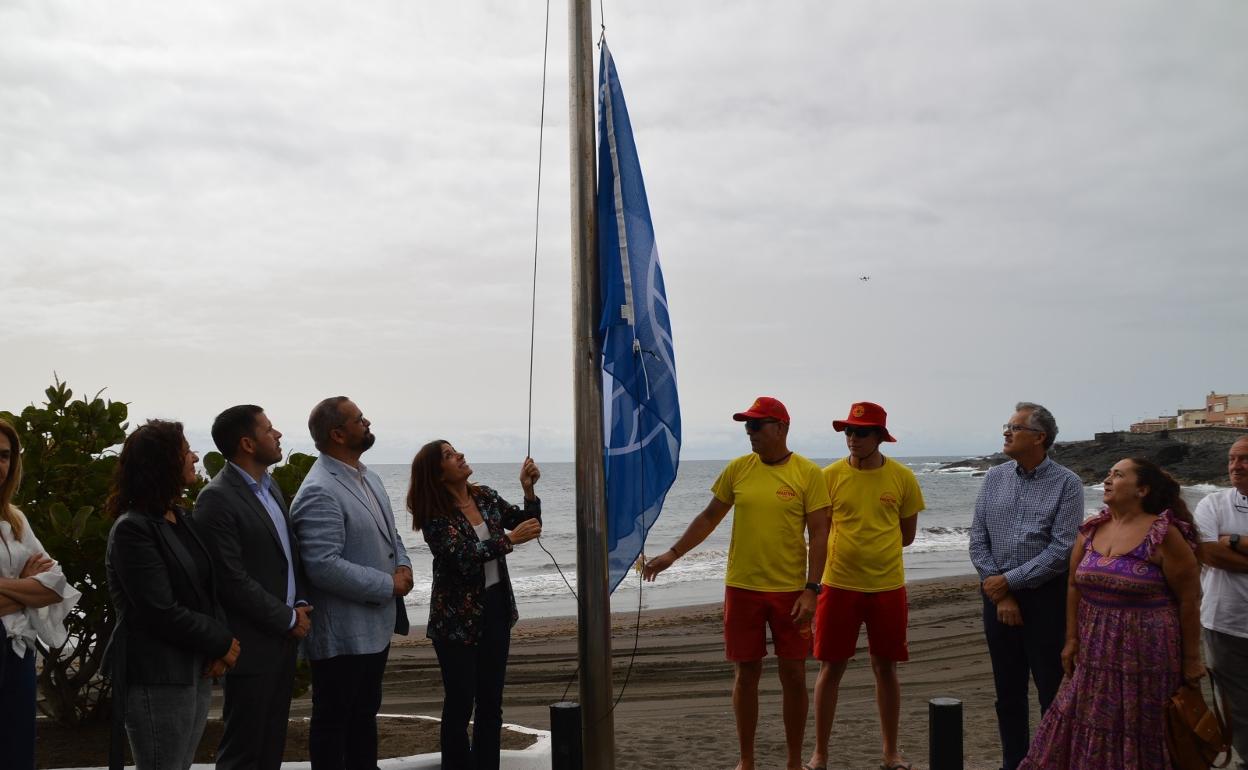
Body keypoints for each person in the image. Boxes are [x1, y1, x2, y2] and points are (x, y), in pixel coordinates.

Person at [644, 396, 831, 770]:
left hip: (791, 592)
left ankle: (794, 761)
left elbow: (820, 536)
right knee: (746, 674)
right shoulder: (738, 469)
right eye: (747, 426)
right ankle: (746, 761)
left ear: (781, 428)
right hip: (742, 588)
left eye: (756, 426)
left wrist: (812, 590)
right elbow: (709, 517)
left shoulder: (809, 474)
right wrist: (672, 554)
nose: (749, 433)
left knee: (793, 675)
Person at [1018, 458, 1205, 768]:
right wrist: (1072, 639)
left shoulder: (1163, 534)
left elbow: (1189, 599)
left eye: (1118, 475)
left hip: (1148, 653)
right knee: (1081, 716)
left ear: (1141, 490)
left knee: (1141, 725)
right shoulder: (1091, 529)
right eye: (1108, 473)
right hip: (1095, 649)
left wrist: (1191, 660)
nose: (1107, 479)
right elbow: (1074, 585)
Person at [105, 420, 241, 770]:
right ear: (164, 463)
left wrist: (218, 648)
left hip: (191, 668)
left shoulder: (179, 519)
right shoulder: (132, 529)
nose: (195, 457)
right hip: (157, 673)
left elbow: (208, 590)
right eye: (185, 452)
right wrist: (221, 640)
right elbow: (159, 609)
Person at [291, 397, 412, 770]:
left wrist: (405, 566)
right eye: (360, 419)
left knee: (364, 717)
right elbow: (322, 565)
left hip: (374, 627)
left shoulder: (368, 476)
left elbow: (390, 534)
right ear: (338, 433)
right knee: (334, 724)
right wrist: (387, 585)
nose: (367, 422)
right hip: (342, 633)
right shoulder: (319, 489)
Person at [407, 441, 542, 770]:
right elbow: (462, 557)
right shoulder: (434, 515)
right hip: (456, 619)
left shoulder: (486, 496)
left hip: (496, 607)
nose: (460, 456)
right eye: (449, 456)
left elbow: (530, 525)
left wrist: (528, 492)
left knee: (491, 703)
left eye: (456, 451)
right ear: (437, 474)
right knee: (459, 704)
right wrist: (509, 540)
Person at [805, 402, 924, 770]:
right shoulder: (829, 476)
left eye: (861, 432)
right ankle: (820, 753)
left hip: (887, 586)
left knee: (885, 667)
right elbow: (818, 532)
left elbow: (906, 536)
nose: (853, 439)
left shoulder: (902, 478)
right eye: (848, 432)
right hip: (838, 585)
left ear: (880, 438)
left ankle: (891, 751)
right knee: (830, 667)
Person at [194, 405, 311, 770]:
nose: (277, 435)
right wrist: (287, 618)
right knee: (243, 751)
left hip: (283, 640)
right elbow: (231, 580)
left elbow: (287, 555)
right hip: (251, 644)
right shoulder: (216, 498)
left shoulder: (270, 486)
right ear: (247, 443)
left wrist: (301, 604)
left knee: (271, 746)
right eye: (269, 429)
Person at [968, 402, 1083, 770]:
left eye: (1014, 427)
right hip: (995, 596)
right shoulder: (993, 478)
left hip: (1046, 598)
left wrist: (1008, 585)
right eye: (1007, 425)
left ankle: (1050, 761)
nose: (1006, 432)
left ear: (1040, 437)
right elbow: (977, 539)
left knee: (1050, 688)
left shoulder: (1067, 483)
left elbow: (1062, 549)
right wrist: (997, 588)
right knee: (1008, 692)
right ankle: (1012, 762)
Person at [0, 418, 81, 770]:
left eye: (4, 455)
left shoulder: (16, 521)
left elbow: (55, 586)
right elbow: (40, 589)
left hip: (16, 652)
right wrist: (26, 587)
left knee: (16, 755)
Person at [1194, 436, 1248, 769]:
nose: (1235, 466)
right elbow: (1207, 551)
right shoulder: (1213, 503)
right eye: (1231, 459)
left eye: (1244, 459)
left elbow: (1219, 548)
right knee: (1235, 706)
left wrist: (1233, 540)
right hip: (1224, 623)